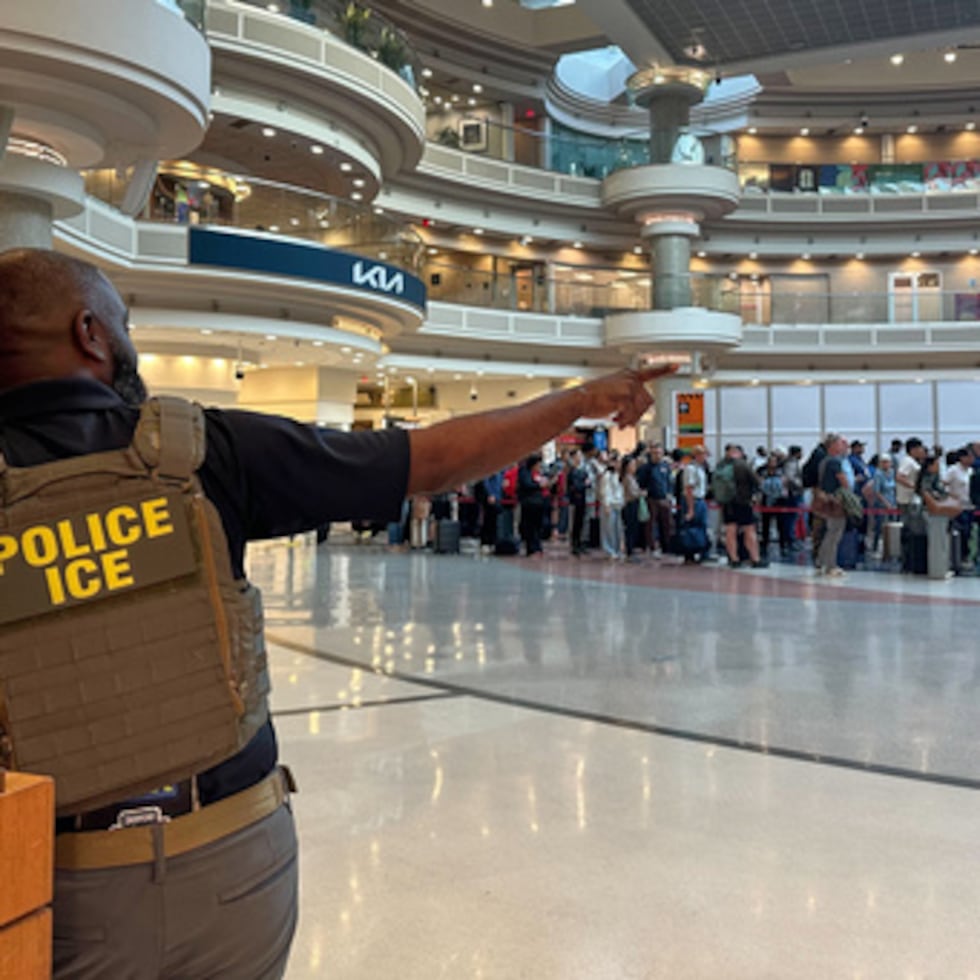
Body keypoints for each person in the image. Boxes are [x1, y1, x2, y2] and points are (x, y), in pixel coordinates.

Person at [0, 247, 674, 980]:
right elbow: (429, 460)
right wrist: (576, 402)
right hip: (230, 861)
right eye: (123, 324)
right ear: (91, 333)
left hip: (43, 877)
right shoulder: (204, 452)